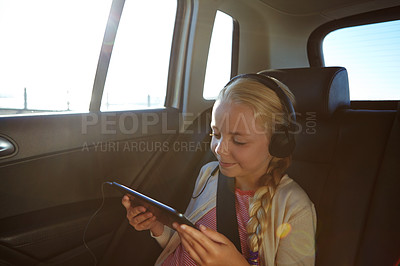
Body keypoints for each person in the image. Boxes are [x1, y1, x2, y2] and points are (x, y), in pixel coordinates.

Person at [122, 74, 317, 265]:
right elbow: (188, 246)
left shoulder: (295, 208)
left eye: (239, 141)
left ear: (279, 143)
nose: (219, 148)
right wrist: (156, 225)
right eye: (215, 133)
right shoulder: (209, 174)